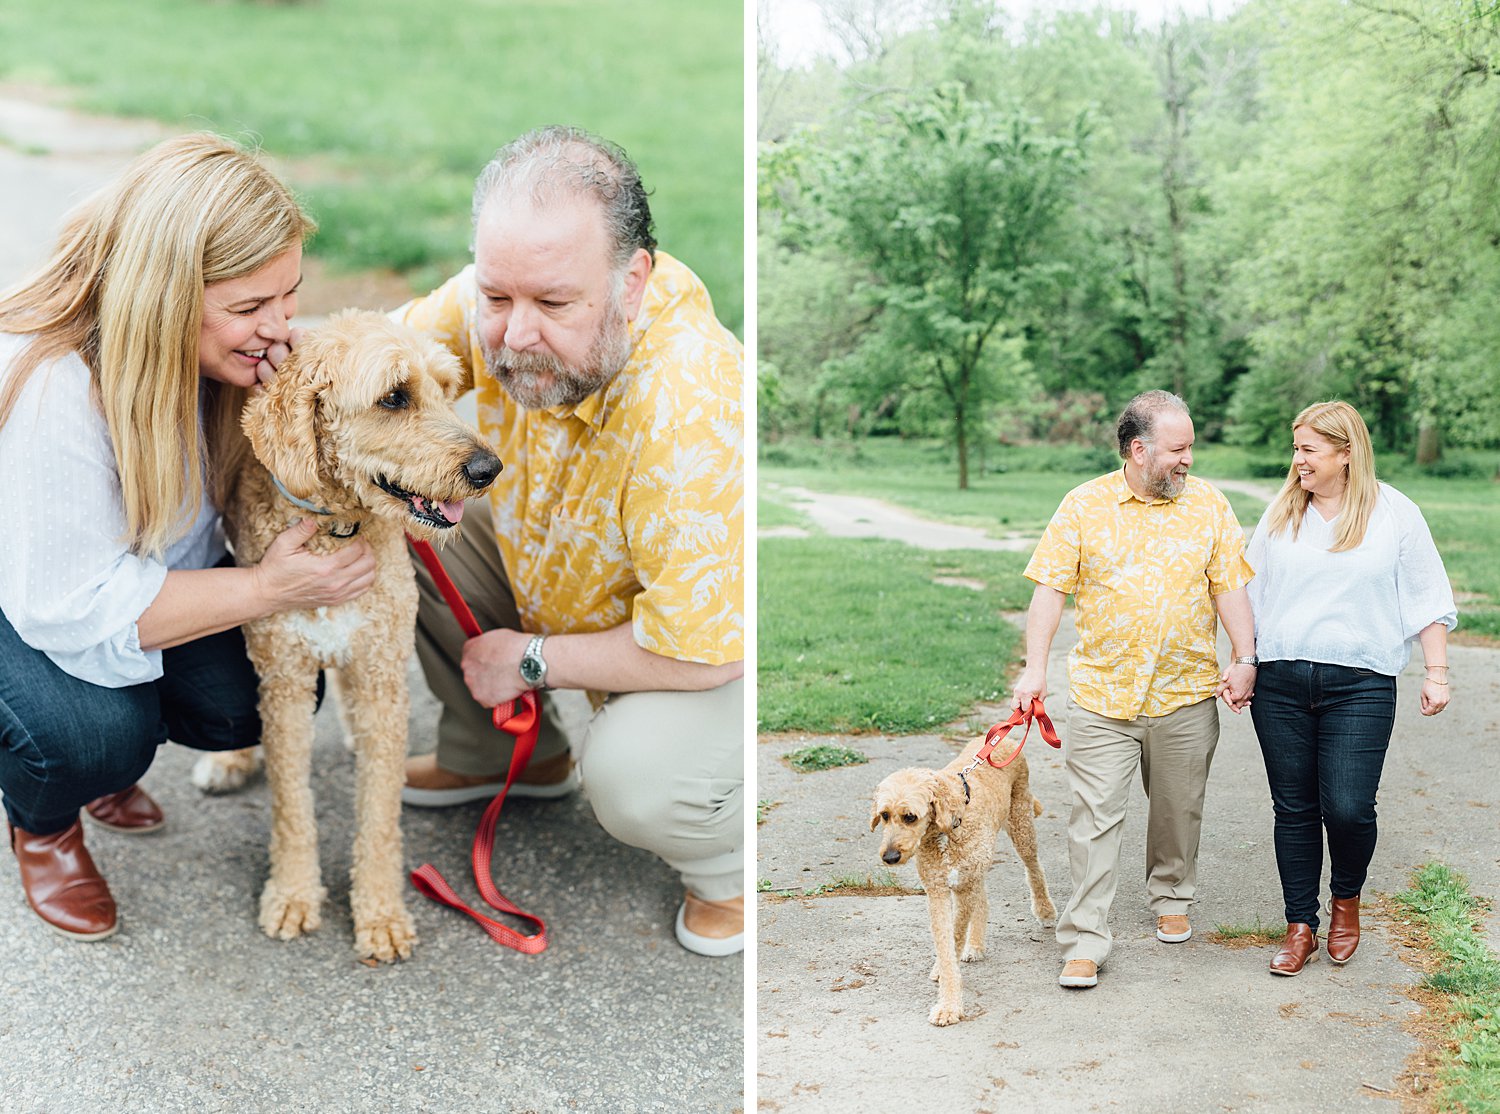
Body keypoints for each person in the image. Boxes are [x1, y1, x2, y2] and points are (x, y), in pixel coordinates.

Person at [0, 134, 376, 941]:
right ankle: (44, 815)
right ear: (163, 297)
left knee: (264, 696)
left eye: (289, 296)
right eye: (248, 308)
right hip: (33, 593)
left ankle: (103, 743)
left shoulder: (227, 357)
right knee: (93, 736)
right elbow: (68, 605)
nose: (279, 328)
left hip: (134, 580)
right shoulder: (55, 387)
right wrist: (270, 587)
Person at [389, 127, 745, 956]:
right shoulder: (518, 284)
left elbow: (702, 655)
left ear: (633, 283)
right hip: (560, 577)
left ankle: (725, 867)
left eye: (552, 306)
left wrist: (530, 659)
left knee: (635, 778)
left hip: (713, 651)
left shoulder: (691, 406)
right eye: (495, 297)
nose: (513, 336)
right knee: (392, 505)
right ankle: (502, 755)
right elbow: (373, 361)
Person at [1013, 390, 1256, 989]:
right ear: (1138, 449)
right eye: (1178, 449)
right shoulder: (1083, 505)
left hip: (1185, 692)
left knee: (1178, 808)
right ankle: (1086, 938)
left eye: (1191, 447)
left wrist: (1245, 656)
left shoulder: (1209, 506)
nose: (1188, 460)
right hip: (1103, 696)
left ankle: (1171, 894)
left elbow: (1229, 587)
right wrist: (1034, 668)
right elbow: (1049, 590)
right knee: (1092, 819)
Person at [1243, 401, 1455, 976]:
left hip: (1360, 685)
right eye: (1296, 448)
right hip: (1281, 683)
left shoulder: (1394, 513)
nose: (1298, 460)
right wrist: (1244, 661)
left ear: (1346, 451)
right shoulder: (1282, 512)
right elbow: (1246, 593)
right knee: (1294, 808)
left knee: (1349, 807)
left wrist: (1436, 672)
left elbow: (1427, 595)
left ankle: (1346, 900)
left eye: (1308, 449)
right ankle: (1300, 925)